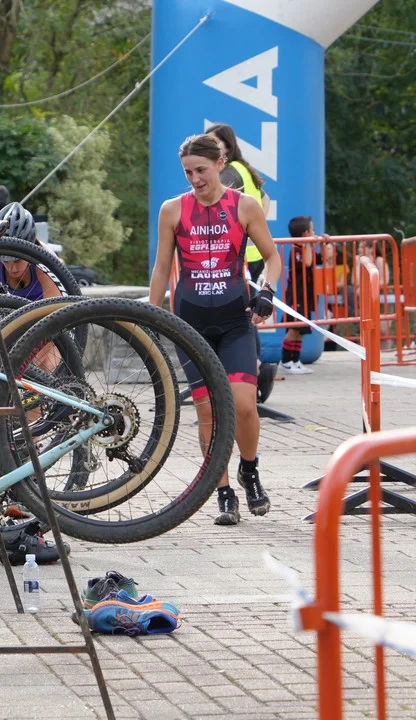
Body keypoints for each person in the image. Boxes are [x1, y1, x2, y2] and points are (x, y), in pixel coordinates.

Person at [149, 134, 282, 526]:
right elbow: (161, 268)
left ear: (220, 164)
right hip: (190, 326)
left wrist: (267, 292)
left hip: (235, 322)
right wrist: (150, 318)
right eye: (188, 172)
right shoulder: (173, 210)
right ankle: (222, 492)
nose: (195, 179)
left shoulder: (244, 205)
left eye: (201, 170)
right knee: (207, 411)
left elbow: (272, 257)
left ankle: (249, 470)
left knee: (243, 406)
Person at [205, 124, 271, 282]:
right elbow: (265, 199)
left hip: (239, 255)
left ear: (227, 146)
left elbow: (216, 212)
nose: (209, 147)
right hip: (254, 253)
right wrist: (256, 229)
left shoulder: (228, 175)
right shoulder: (241, 168)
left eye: (214, 142)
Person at [0, 202, 63, 301]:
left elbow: (54, 307)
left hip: (44, 308)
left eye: (17, 260)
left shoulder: (45, 262)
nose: (12, 268)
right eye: (5, 261)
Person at [281, 216, 318, 374]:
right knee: (294, 328)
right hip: (296, 296)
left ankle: (296, 360)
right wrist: (309, 244)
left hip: (305, 296)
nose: (314, 233)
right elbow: (307, 263)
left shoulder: (306, 249)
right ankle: (286, 360)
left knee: (302, 329)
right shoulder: (296, 249)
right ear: (305, 233)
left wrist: (323, 242)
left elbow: (317, 260)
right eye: (312, 230)